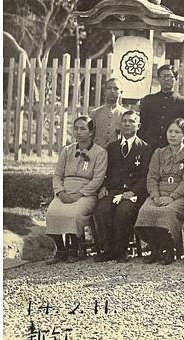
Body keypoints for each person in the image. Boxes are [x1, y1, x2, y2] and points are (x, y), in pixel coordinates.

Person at [135, 118, 184, 265]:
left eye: (177, 132)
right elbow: (152, 177)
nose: (173, 135)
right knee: (146, 211)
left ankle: (170, 250)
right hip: (158, 194)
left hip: (180, 196)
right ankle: (155, 250)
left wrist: (172, 197)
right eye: (170, 131)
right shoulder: (159, 153)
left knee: (166, 212)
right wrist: (155, 196)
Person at [45, 116, 108, 264]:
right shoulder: (67, 151)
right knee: (52, 213)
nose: (78, 132)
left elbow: (98, 179)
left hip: (86, 194)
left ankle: (75, 249)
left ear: (91, 132)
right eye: (76, 128)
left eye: (83, 128)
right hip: (65, 192)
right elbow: (57, 175)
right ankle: (61, 249)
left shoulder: (100, 153)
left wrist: (79, 194)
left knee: (73, 214)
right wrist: (60, 192)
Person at [93, 111, 152, 263]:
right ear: (120, 125)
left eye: (131, 121)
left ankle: (121, 250)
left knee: (123, 210)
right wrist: (104, 187)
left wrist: (133, 191)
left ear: (138, 126)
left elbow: (146, 177)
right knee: (102, 208)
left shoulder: (145, 148)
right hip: (113, 190)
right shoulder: (112, 147)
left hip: (133, 193)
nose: (127, 124)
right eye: (124, 121)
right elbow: (105, 171)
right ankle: (107, 249)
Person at [138, 64, 184, 150]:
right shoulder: (149, 100)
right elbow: (142, 126)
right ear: (158, 79)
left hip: (173, 148)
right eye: (163, 76)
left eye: (170, 76)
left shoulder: (182, 102)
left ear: (176, 79)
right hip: (150, 147)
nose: (166, 79)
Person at [89, 78, 127, 149]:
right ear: (104, 92)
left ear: (121, 92)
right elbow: (89, 136)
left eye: (116, 88)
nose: (112, 91)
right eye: (109, 88)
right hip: (98, 153)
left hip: (116, 154)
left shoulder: (125, 114)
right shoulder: (95, 113)